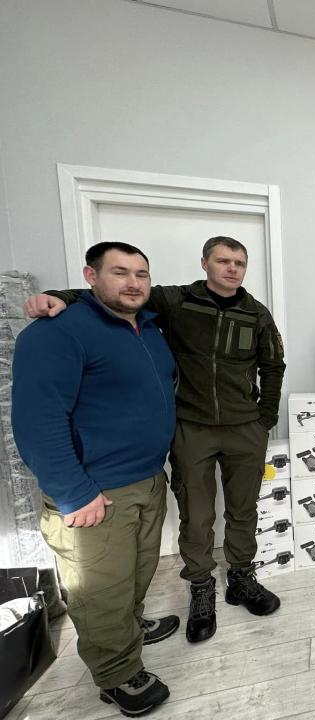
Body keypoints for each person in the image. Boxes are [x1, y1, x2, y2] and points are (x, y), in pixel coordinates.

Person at [24, 236, 286, 642]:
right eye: (223, 260)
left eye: (239, 262)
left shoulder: (257, 313)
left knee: (243, 509)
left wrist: (264, 418)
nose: (232, 268)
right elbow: (111, 297)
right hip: (192, 429)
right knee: (197, 516)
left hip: (244, 429)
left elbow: (273, 365)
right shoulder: (174, 300)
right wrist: (57, 296)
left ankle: (241, 579)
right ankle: (201, 589)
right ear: (205, 263)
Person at [12, 242, 178, 716]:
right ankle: (118, 674)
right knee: (99, 590)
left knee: (137, 572)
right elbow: (37, 421)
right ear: (90, 276)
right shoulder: (56, 333)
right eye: (120, 272)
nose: (133, 283)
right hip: (94, 491)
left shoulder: (148, 327)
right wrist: (72, 492)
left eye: (141, 274)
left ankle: (127, 629)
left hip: (146, 479)